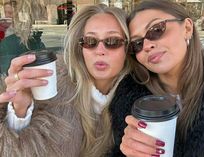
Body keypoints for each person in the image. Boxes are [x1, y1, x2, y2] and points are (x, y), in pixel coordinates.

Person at [0, 4, 131, 157]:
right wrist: (20, 114)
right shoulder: (51, 93)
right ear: (80, 48)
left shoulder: (141, 98)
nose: (100, 51)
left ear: (128, 48)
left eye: (112, 41)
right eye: (90, 41)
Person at [108, 0, 204, 157]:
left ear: (187, 28)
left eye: (156, 30)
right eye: (137, 43)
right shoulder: (128, 100)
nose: (147, 45)